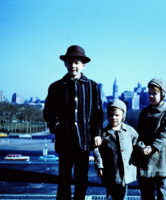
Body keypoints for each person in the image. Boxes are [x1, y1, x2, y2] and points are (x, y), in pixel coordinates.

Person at [43, 45, 103, 200]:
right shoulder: (56, 87)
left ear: (83, 65)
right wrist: (56, 127)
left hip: (84, 141)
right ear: (65, 64)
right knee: (64, 179)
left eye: (77, 62)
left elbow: (97, 113)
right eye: (70, 62)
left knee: (81, 179)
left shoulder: (92, 86)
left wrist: (97, 133)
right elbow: (48, 111)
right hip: (65, 140)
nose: (73, 65)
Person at [136, 78, 166, 200]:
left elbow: (165, 134)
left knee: (161, 194)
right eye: (149, 93)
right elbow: (139, 134)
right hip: (146, 161)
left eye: (155, 93)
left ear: (162, 94)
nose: (151, 96)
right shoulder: (144, 112)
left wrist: (152, 147)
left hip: (163, 161)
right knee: (146, 194)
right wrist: (141, 146)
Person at [94, 99, 138, 200]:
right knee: (110, 195)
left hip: (125, 172)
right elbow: (97, 151)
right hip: (110, 171)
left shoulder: (129, 131)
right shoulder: (103, 133)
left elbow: (137, 142)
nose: (113, 118)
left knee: (123, 195)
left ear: (123, 116)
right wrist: (99, 166)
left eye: (117, 115)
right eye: (111, 115)